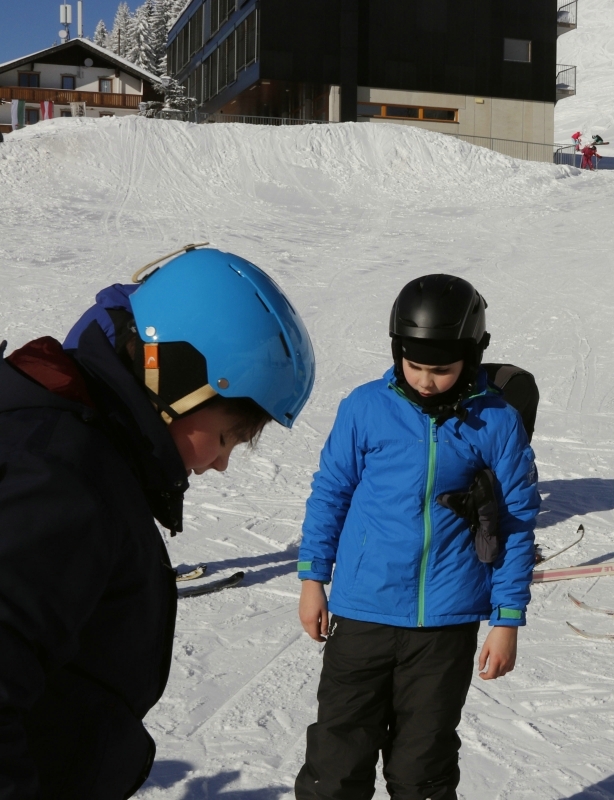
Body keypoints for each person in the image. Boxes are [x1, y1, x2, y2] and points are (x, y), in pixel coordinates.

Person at [0, 245, 316, 798]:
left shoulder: (78, 449)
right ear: (177, 379)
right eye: (226, 437)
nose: (220, 463)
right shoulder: (63, 479)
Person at [294, 273, 540, 800]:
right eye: (415, 366)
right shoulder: (365, 407)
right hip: (364, 611)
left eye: (442, 370)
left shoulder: (497, 422)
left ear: (470, 358)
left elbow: (517, 522)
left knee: (422, 769)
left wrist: (507, 620)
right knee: (336, 760)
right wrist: (313, 577)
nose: (426, 381)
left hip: (444, 625)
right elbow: (330, 493)